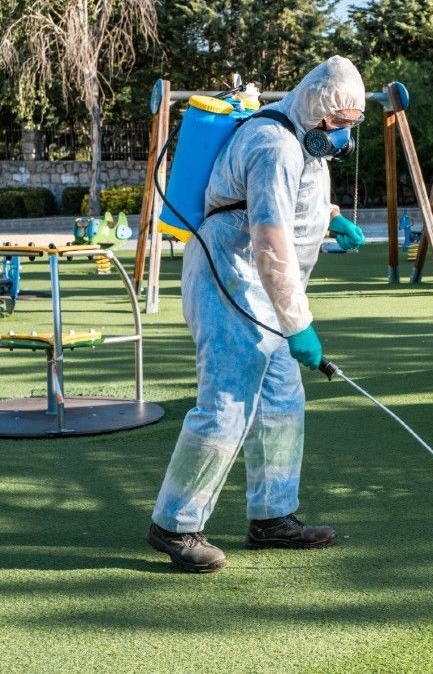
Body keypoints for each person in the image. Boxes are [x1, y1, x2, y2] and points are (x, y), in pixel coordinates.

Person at [146, 55, 367, 573]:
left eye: (350, 125)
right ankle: (174, 524)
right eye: (338, 122)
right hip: (231, 277)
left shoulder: (302, 139)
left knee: (281, 401)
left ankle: (272, 517)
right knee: (227, 401)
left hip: (263, 287)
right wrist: (299, 323)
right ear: (316, 105)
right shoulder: (273, 144)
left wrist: (331, 220)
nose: (341, 135)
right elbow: (269, 240)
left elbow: (294, 198)